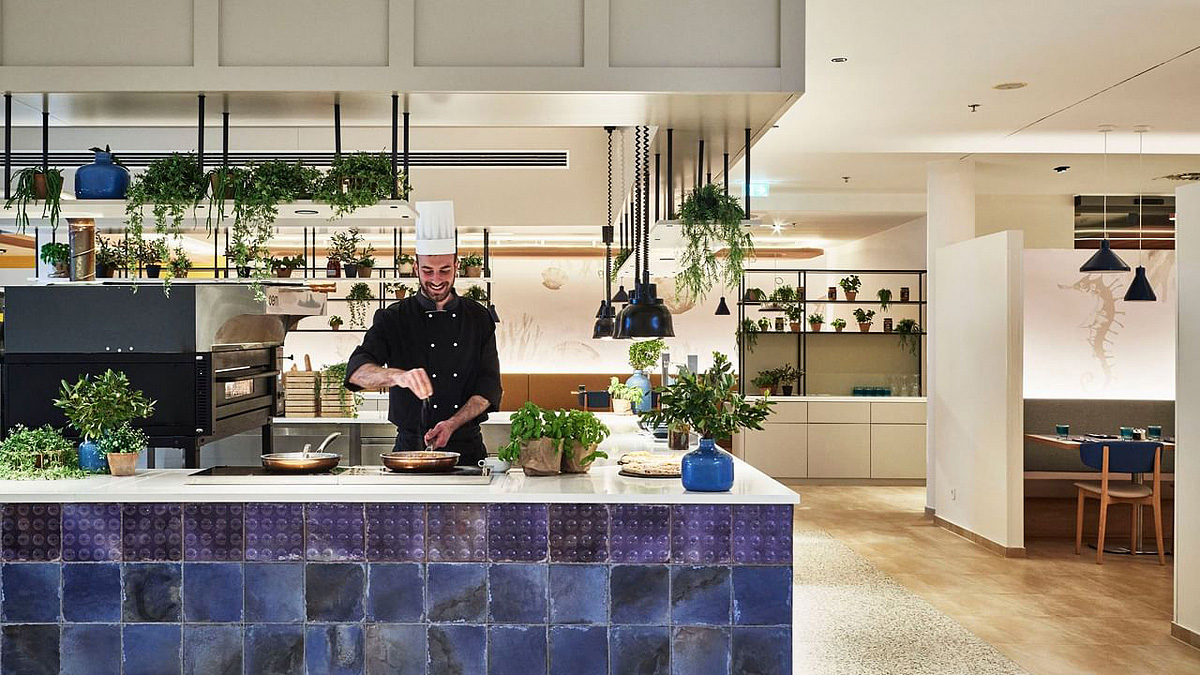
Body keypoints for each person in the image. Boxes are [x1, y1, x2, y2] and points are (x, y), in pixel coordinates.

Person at [344, 201, 501, 466]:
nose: (436, 279)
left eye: (445, 270)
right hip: (409, 450)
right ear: (416, 268)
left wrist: (452, 424)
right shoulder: (393, 318)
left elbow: (488, 389)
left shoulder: (478, 317)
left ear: (457, 265)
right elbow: (356, 373)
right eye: (428, 271)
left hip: (468, 450)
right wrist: (398, 376)